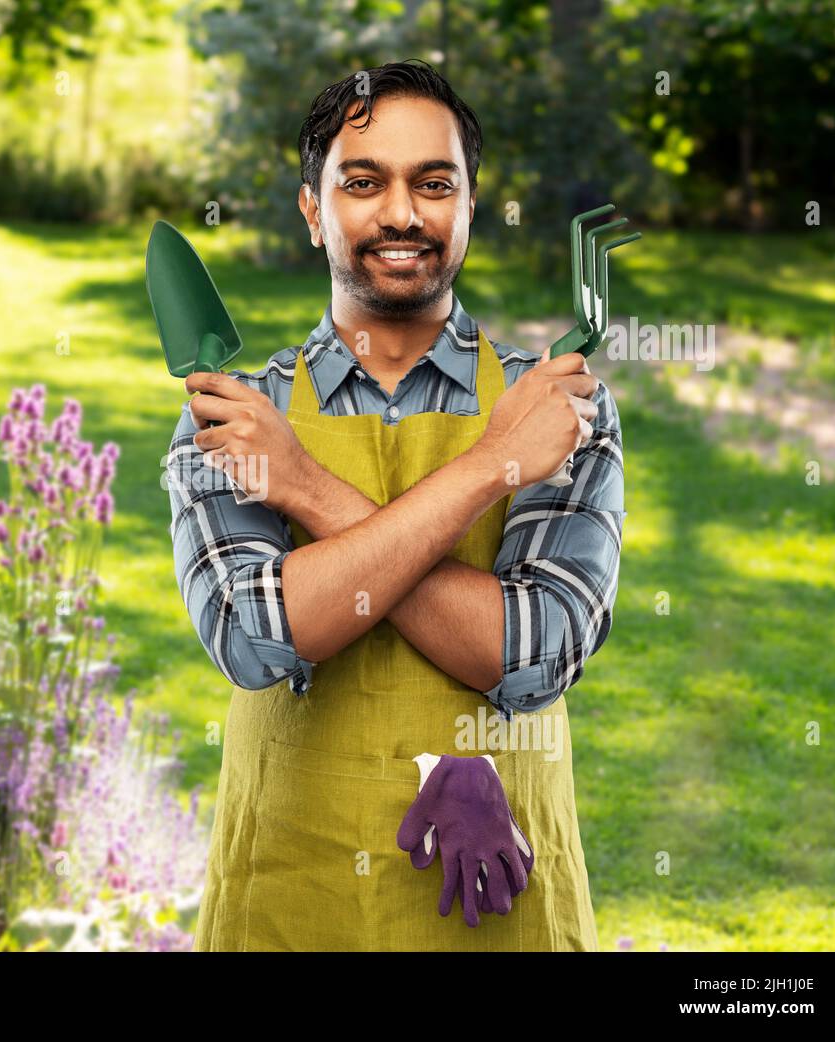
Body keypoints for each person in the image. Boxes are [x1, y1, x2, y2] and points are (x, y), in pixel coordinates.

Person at [164, 59, 624, 951]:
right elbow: (257, 640)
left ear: (470, 206)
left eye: (434, 184)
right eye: (364, 182)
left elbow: (530, 654)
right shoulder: (233, 416)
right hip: (291, 893)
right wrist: (494, 467)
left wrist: (303, 490)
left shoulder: (559, 409)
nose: (403, 214)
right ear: (313, 210)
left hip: (499, 904)